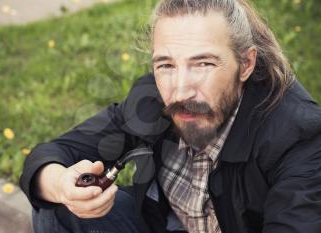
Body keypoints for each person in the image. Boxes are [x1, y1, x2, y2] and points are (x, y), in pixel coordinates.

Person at [19, 0, 321, 233]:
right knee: (58, 206)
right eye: (166, 65)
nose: (180, 91)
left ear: (245, 64)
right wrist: (63, 186)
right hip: (166, 223)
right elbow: (55, 153)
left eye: (203, 63)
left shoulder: (298, 135)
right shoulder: (152, 96)